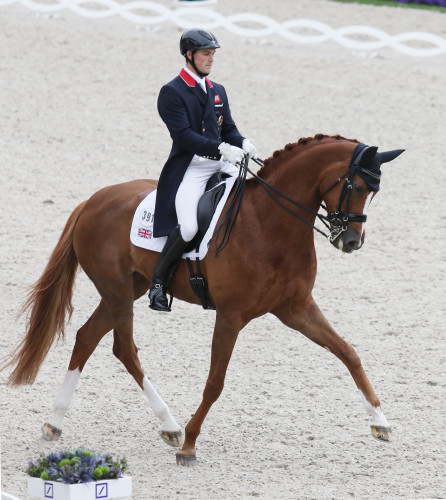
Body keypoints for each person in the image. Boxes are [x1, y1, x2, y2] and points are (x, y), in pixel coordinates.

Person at [148, 28, 257, 312]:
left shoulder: (217, 90)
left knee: (254, 198)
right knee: (189, 227)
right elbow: (183, 135)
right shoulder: (172, 92)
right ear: (189, 55)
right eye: (206, 54)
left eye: (213, 54)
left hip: (222, 162)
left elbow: (228, 128)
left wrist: (243, 142)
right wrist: (220, 148)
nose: (211, 59)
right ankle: (158, 282)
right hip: (192, 168)